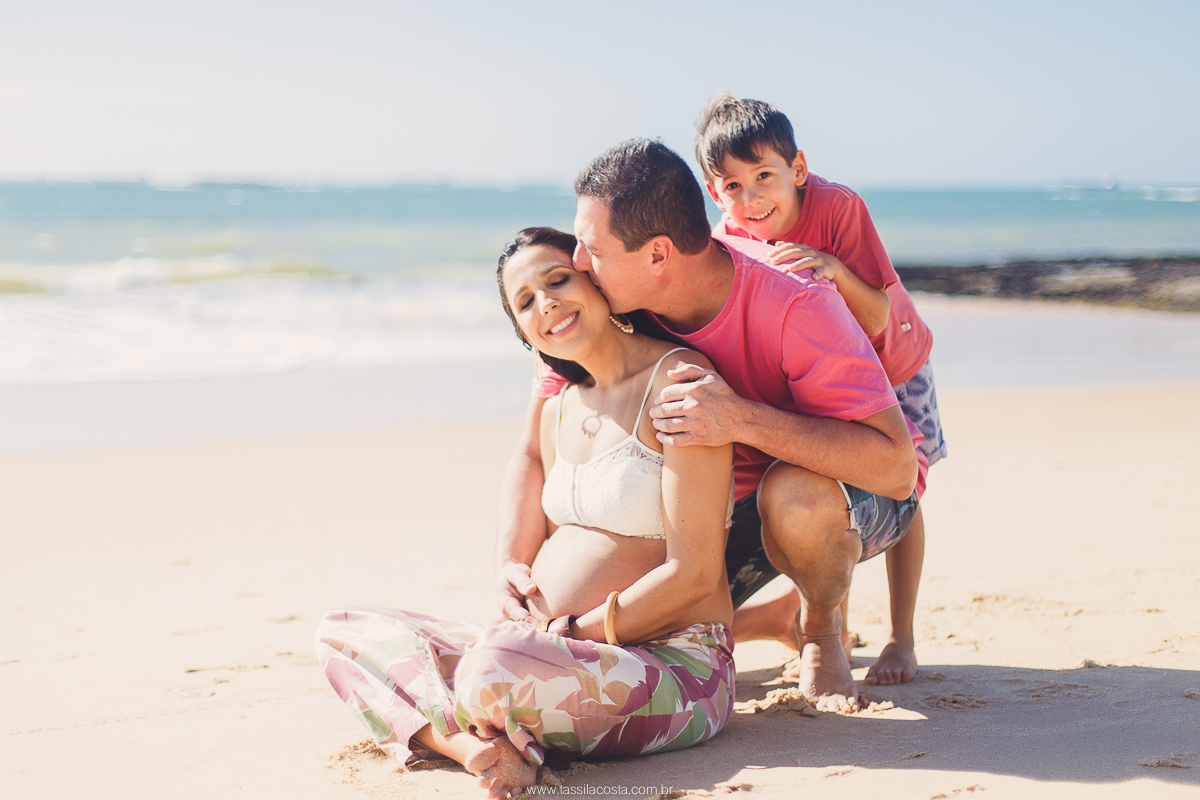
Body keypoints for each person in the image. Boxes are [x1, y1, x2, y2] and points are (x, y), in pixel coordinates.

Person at [316, 227, 737, 800]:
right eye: (526, 302)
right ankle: (476, 750)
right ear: (522, 331)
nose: (548, 304)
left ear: (595, 277)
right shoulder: (559, 405)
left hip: (676, 667)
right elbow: (526, 464)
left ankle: (485, 724)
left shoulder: (677, 383)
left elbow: (697, 573)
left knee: (489, 668)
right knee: (344, 633)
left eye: (557, 280)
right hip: (543, 654)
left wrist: (572, 635)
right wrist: (510, 570)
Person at [501, 139, 920, 712]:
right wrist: (514, 565)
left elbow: (896, 468)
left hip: (852, 495)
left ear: (657, 255)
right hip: (729, 507)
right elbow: (531, 450)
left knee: (792, 494)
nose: (576, 262)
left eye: (591, 249)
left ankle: (820, 628)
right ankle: (770, 618)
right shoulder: (613, 311)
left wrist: (743, 420)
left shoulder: (796, 304)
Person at [695, 93, 948, 686]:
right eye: (732, 186)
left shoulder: (837, 207)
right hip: (825, 380)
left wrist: (833, 271)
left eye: (764, 177)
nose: (751, 198)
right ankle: (826, 622)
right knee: (832, 491)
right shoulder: (727, 241)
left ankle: (900, 638)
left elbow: (880, 312)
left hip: (896, 363)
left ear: (798, 169)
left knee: (906, 489)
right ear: (714, 192)